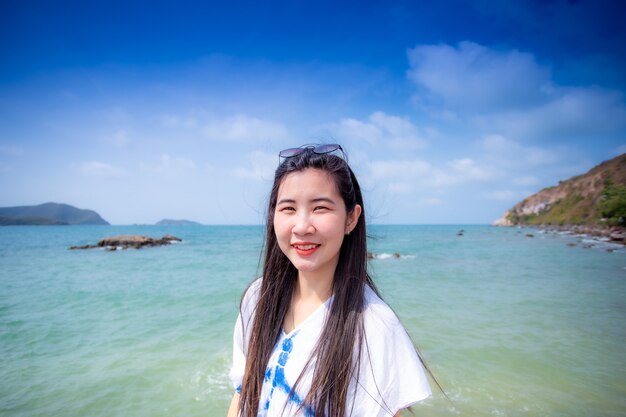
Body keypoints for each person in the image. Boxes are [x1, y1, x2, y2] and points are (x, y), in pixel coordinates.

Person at [227, 144, 434, 417]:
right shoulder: (258, 298)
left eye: (320, 208)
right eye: (288, 208)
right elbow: (243, 395)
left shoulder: (374, 326)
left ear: (351, 218)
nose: (302, 226)